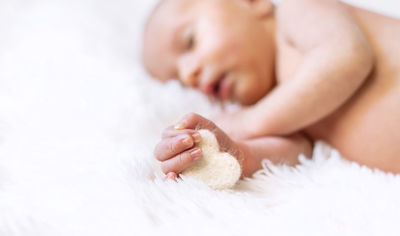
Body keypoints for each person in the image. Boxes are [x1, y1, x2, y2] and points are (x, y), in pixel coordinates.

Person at [142, 0, 400, 180]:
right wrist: (234, 153)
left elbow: (347, 57)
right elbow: (297, 152)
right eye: (180, 80)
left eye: (190, 41)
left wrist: (250, 122)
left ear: (253, 1)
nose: (189, 75)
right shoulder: (276, 107)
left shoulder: (297, 9)